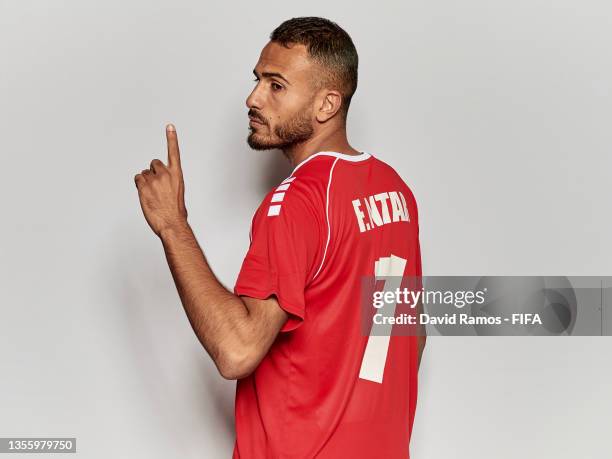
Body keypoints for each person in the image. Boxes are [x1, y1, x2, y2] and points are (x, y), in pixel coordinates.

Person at [134, 16, 426, 459]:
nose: (253, 98)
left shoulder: (296, 201)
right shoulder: (395, 190)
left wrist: (173, 226)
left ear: (326, 104)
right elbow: (414, 331)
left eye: (276, 85)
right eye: (257, 80)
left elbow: (237, 351)